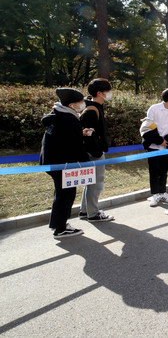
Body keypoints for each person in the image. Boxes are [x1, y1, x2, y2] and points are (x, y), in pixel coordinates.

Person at [40, 88, 92, 239]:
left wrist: (79, 133)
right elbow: (75, 147)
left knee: (61, 193)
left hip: (53, 161)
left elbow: (64, 137)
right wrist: (87, 162)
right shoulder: (68, 119)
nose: (83, 104)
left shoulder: (58, 114)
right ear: (71, 105)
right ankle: (60, 229)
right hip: (62, 163)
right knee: (66, 195)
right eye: (80, 102)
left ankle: (58, 224)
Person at [79, 78, 114, 223]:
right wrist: (98, 152)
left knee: (91, 182)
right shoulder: (91, 111)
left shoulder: (93, 106)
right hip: (93, 153)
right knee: (96, 183)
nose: (110, 93)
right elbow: (88, 136)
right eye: (108, 91)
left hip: (93, 151)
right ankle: (93, 213)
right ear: (100, 93)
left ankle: (85, 210)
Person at [140, 88, 168, 206]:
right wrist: (159, 140)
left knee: (164, 170)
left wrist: (166, 141)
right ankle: (155, 194)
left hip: (167, 146)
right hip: (153, 145)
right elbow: (147, 127)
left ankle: (163, 192)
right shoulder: (154, 109)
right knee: (154, 170)